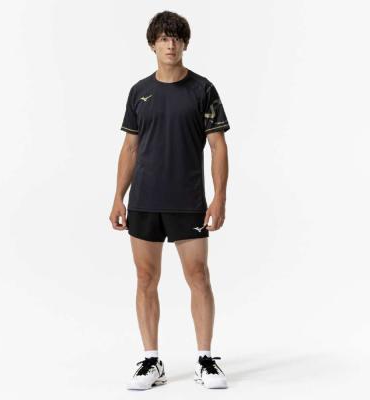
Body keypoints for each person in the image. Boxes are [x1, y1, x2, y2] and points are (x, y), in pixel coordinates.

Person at [109, 10, 230, 390]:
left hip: (188, 201)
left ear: (185, 44)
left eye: (176, 38)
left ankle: (205, 358)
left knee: (198, 276)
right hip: (144, 201)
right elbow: (130, 148)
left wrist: (219, 198)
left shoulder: (202, 89)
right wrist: (118, 197)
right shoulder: (139, 91)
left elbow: (218, 146)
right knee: (146, 278)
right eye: (163, 38)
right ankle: (151, 360)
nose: (170, 44)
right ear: (153, 45)